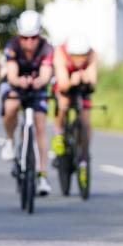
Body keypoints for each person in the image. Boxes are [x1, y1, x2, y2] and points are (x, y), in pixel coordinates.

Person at [0, 10, 53, 196]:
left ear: (40, 35)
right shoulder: (12, 46)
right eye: (25, 37)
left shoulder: (47, 48)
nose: (29, 42)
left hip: (37, 85)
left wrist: (38, 82)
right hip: (17, 84)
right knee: (11, 107)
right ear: (19, 36)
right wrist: (20, 81)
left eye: (33, 37)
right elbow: (12, 75)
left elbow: (46, 75)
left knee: (40, 125)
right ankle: (9, 140)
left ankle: (42, 175)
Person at [51, 32, 98, 170]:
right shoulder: (60, 54)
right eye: (77, 56)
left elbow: (93, 83)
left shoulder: (92, 54)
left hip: (82, 85)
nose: (81, 60)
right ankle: (59, 134)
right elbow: (62, 84)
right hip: (65, 81)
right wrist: (72, 81)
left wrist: (87, 79)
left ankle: (84, 151)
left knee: (86, 120)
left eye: (83, 56)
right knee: (63, 103)